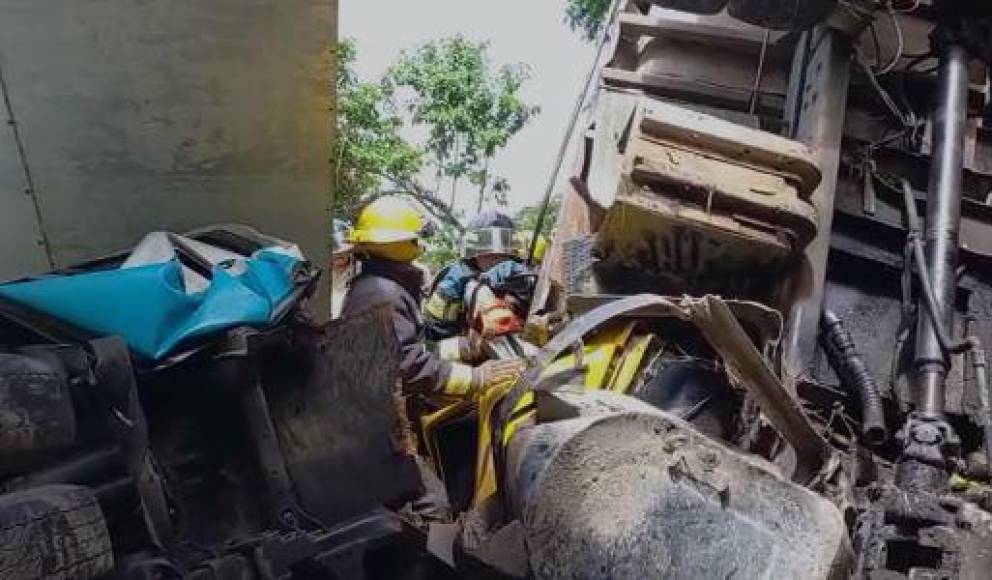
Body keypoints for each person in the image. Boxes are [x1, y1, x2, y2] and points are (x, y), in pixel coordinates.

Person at [341, 198, 525, 402]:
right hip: (374, 419)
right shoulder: (381, 294)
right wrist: (475, 378)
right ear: (402, 242)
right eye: (416, 238)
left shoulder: (383, 286)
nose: (419, 244)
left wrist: (468, 347)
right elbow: (405, 366)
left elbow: (417, 349)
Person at [424, 211, 527, 353]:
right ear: (472, 251)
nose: (495, 254)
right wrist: (470, 347)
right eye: (486, 247)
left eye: (503, 246)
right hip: (463, 357)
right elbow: (434, 338)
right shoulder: (454, 282)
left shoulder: (522, 274)